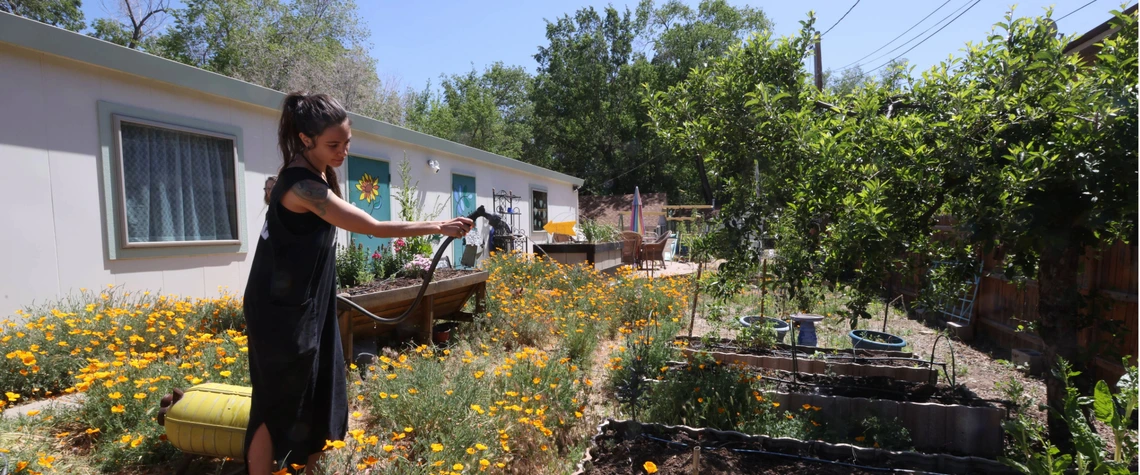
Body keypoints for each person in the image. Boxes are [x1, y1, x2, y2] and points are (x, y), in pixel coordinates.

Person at [242, 92, 472, 474]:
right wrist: (440, 226)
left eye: (347, 142)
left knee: (321, 389)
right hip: (278, 310)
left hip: (306, 301)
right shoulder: (303, 186)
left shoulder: (309, 173)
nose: (342, 151)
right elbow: (373, 227)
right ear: (305, 139)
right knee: (273, 401)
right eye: (333, 144)